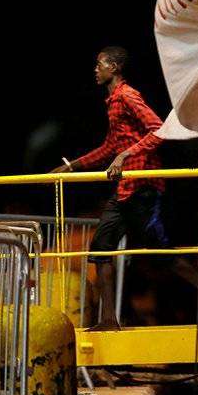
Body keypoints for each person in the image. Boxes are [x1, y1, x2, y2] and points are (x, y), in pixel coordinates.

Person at [51, 46, 168, 331]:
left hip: (142, 185)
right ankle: (108, 319)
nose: (95, 69)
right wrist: (72, 166)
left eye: (99, 64)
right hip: (125, 189)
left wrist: (125, 155)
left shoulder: (127, 95)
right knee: (101, 249)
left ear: (113, 67)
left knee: (162, 255)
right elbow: (110, 146)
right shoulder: (114, 100)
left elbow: (158, 129)